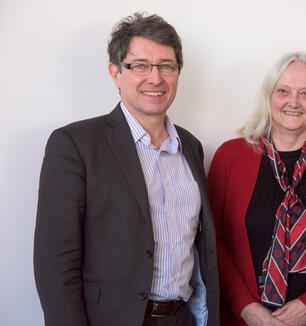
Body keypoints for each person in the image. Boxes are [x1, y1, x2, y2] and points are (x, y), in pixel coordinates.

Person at [33, 12, 219, 326]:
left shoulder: (190, 146)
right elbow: (56, 265)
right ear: (116, 73)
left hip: (184, 318)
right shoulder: (75, 145)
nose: (155, 78)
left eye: (166, 66)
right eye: (140, 66)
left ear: (177, 73)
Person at [207, 51, 306, 326]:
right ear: (269, 96)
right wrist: (245, 307)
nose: (294, 102)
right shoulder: (229, 157)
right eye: (283, 91)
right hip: (245, 319)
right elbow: (213, 240)